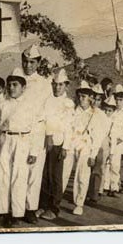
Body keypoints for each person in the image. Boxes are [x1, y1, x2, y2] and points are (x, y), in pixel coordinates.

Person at [0, 68, 43, 228]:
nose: (11, 88)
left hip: (23, 141)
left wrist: (34, 151)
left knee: (19, 178)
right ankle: (3, 213)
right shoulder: (2, 103)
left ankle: (16, 214)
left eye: (15, 85)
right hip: (5, 139)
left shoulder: (31, 105)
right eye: (9, 85)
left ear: (23, 87)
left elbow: (37, 129)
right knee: (3, 177)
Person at [61, 81, 108, 216]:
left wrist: (93, 155)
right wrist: (65, 146)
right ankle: (57, 199)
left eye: (84, 97)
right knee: (64, 171)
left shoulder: (95, 114)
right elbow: (67, 129)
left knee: (82, 174)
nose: (81, 99)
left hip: (86, 144)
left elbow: (98, 136)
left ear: (90, 98)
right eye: (80, 96)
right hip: (71, 143)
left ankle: (79, 203)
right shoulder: (72, 111)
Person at [20, 44, 51, 223]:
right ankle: (16, 206)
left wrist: (48, 134)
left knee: (35, 171)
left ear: (38, 63)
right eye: (25, 62)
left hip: (37, 130)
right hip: (20, 130)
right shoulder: (16, 78)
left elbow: (48, 111)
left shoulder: (44, 84)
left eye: (32, 62)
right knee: (20, 170)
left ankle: (30, 208)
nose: (28, 65)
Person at [38, 69, 74, 221]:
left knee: (55, 176)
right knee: (44, 175)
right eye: (55, 85)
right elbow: (44, 119)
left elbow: (69, 126)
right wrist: (47, 136)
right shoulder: (48, 100)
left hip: (59, 143)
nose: (57, 88)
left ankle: (54, 207)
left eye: (60, 85)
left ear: (65, 86)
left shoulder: (68, 103)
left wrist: (65, 146)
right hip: (46, 141)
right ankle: (43, 205)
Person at [86, 83, 108, 204]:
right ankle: (83, 192)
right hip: (85, 143)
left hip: (98, 143)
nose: (95, 101)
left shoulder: (102, 115)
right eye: (93, 98)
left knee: (96, 168)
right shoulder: (86, 111)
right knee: (85, 169)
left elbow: (103, 131)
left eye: (98, 99)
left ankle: (93, 194)